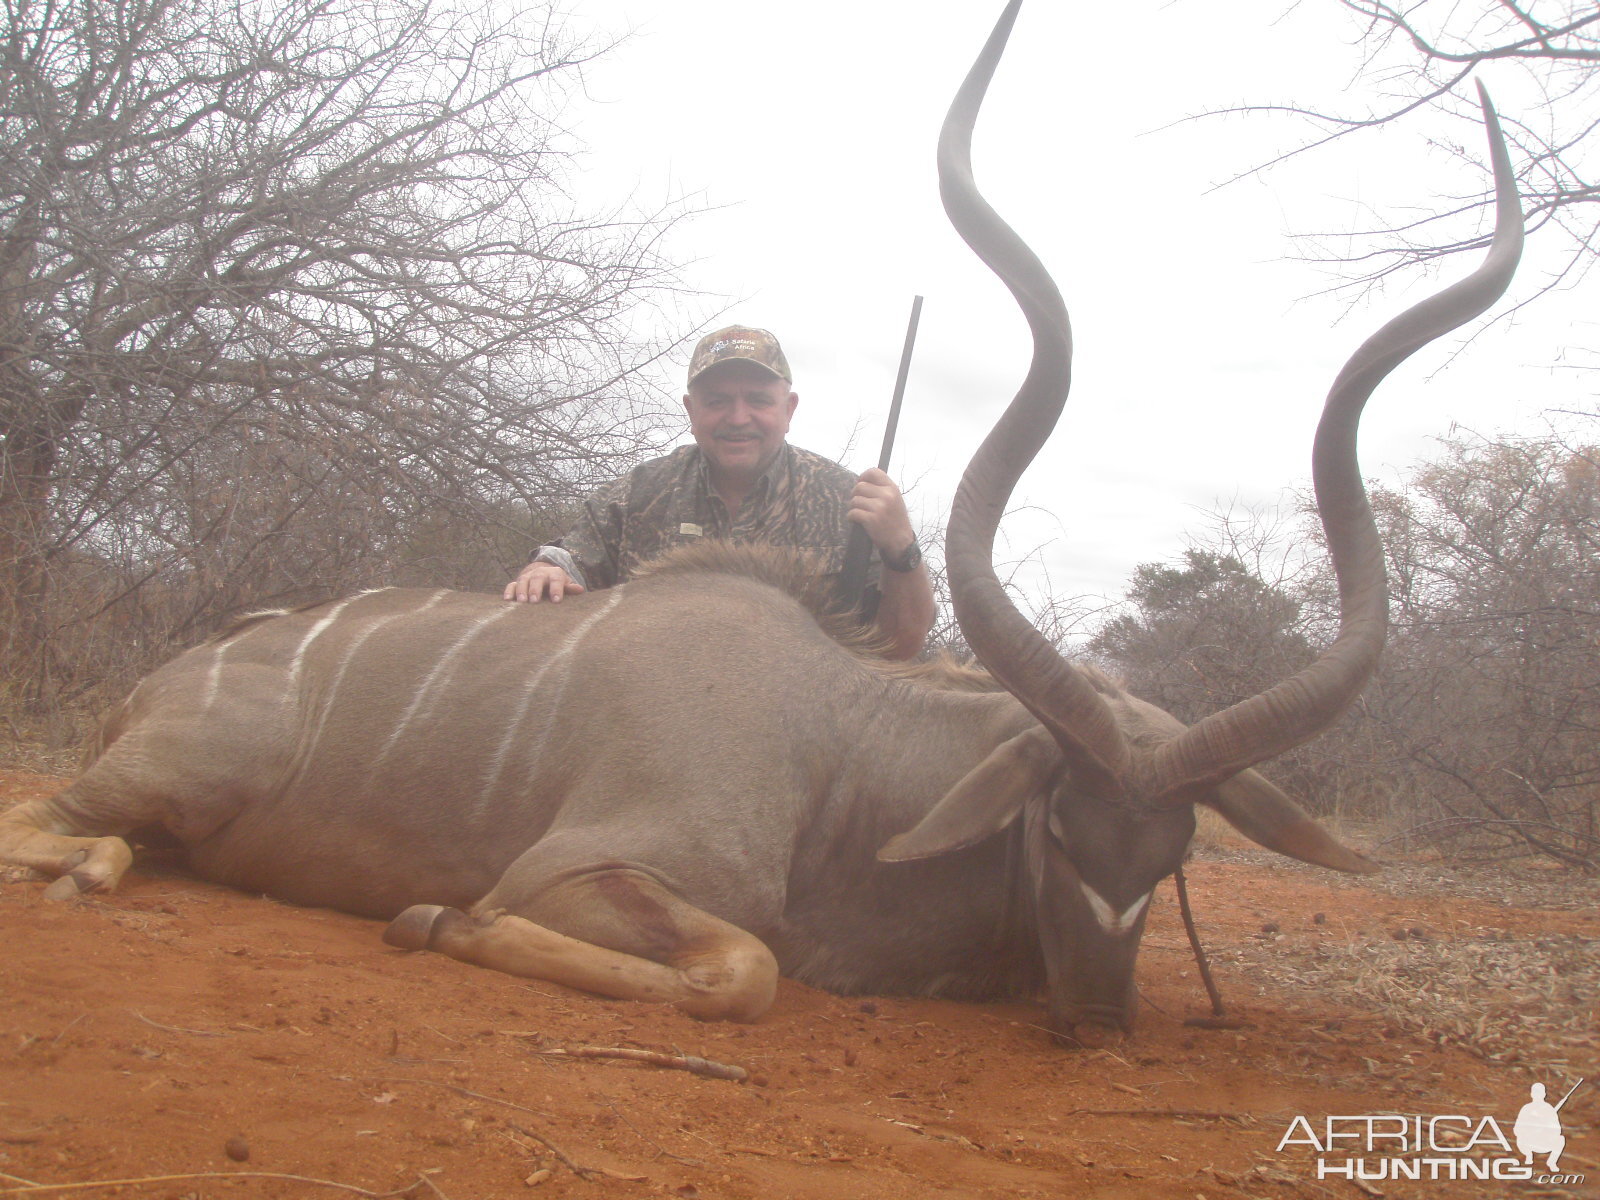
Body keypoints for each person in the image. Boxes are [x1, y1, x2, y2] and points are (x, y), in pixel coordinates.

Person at [504, 324, 936, 659]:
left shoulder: (847, 501)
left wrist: (903, 550)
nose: (738, 417)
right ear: (692, 411)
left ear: (789, 410)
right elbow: (569, 561)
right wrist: (546, 572)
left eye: (759, 400)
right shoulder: (641, 491)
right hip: (650, 719)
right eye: (717, 401)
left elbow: (900, 645)